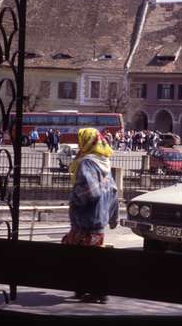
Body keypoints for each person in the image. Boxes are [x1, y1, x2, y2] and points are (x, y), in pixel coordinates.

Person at [63, 128, 119, 304]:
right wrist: (113, 217)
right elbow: (114, 192)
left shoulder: (87, 163)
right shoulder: (104, 162)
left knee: (79, 257)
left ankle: (95, 291)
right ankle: (86, 290)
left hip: (84, 221)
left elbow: (91, 192)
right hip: (99, 221)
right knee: (92, 258)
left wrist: (73, 199)